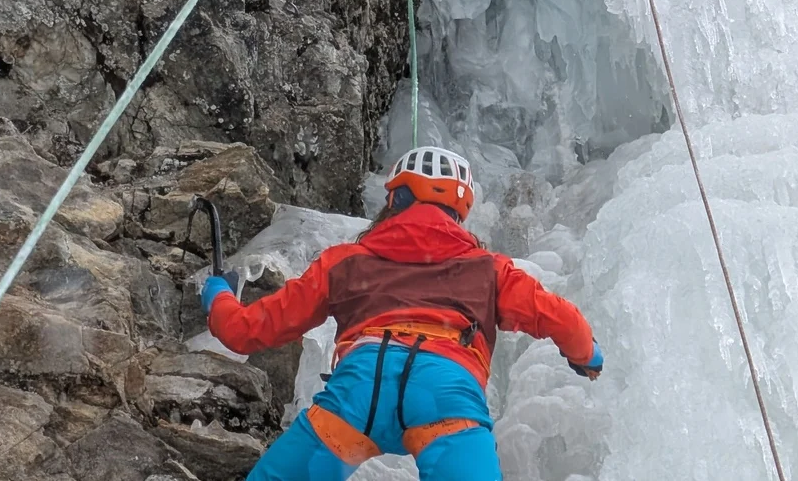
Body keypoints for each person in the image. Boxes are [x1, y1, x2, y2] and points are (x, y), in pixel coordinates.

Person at [201, 145, 603, 481]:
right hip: (445, 394)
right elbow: (563, 319)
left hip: (361, 390)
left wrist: (218, 294)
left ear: (395, 198)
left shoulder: (345, 262)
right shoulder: (489, 269)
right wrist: (587, 355)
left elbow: (243, 331)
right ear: (458, 212)